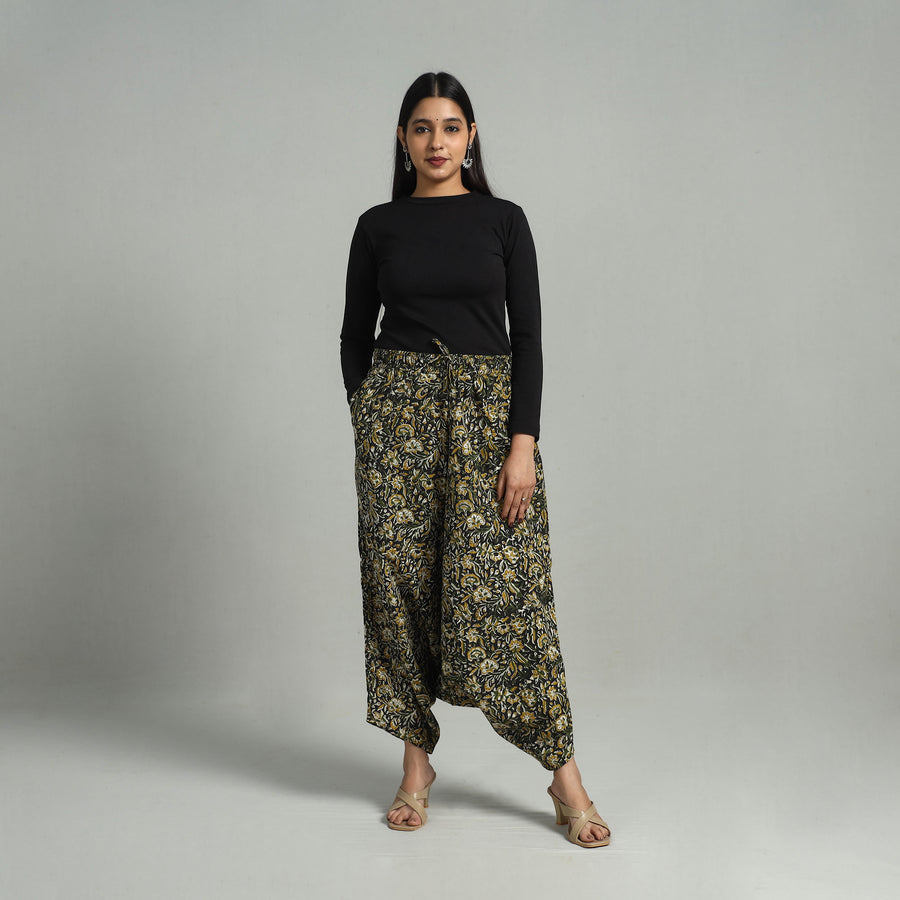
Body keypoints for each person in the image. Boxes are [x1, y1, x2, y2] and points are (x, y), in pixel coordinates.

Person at [339, 71, 611, 848]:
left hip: (490, 423)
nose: (437, 141)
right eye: (422, 127)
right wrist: (371, 415)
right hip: (398, 423)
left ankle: (564, 778)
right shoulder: (378, 226)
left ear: (471, 137)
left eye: (451, 126)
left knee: (510, 597)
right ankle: (415, 766)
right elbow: (355, 333)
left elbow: (529, 339)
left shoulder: (504, 221)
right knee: (399, 588)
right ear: (403, 139)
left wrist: (522, 443)